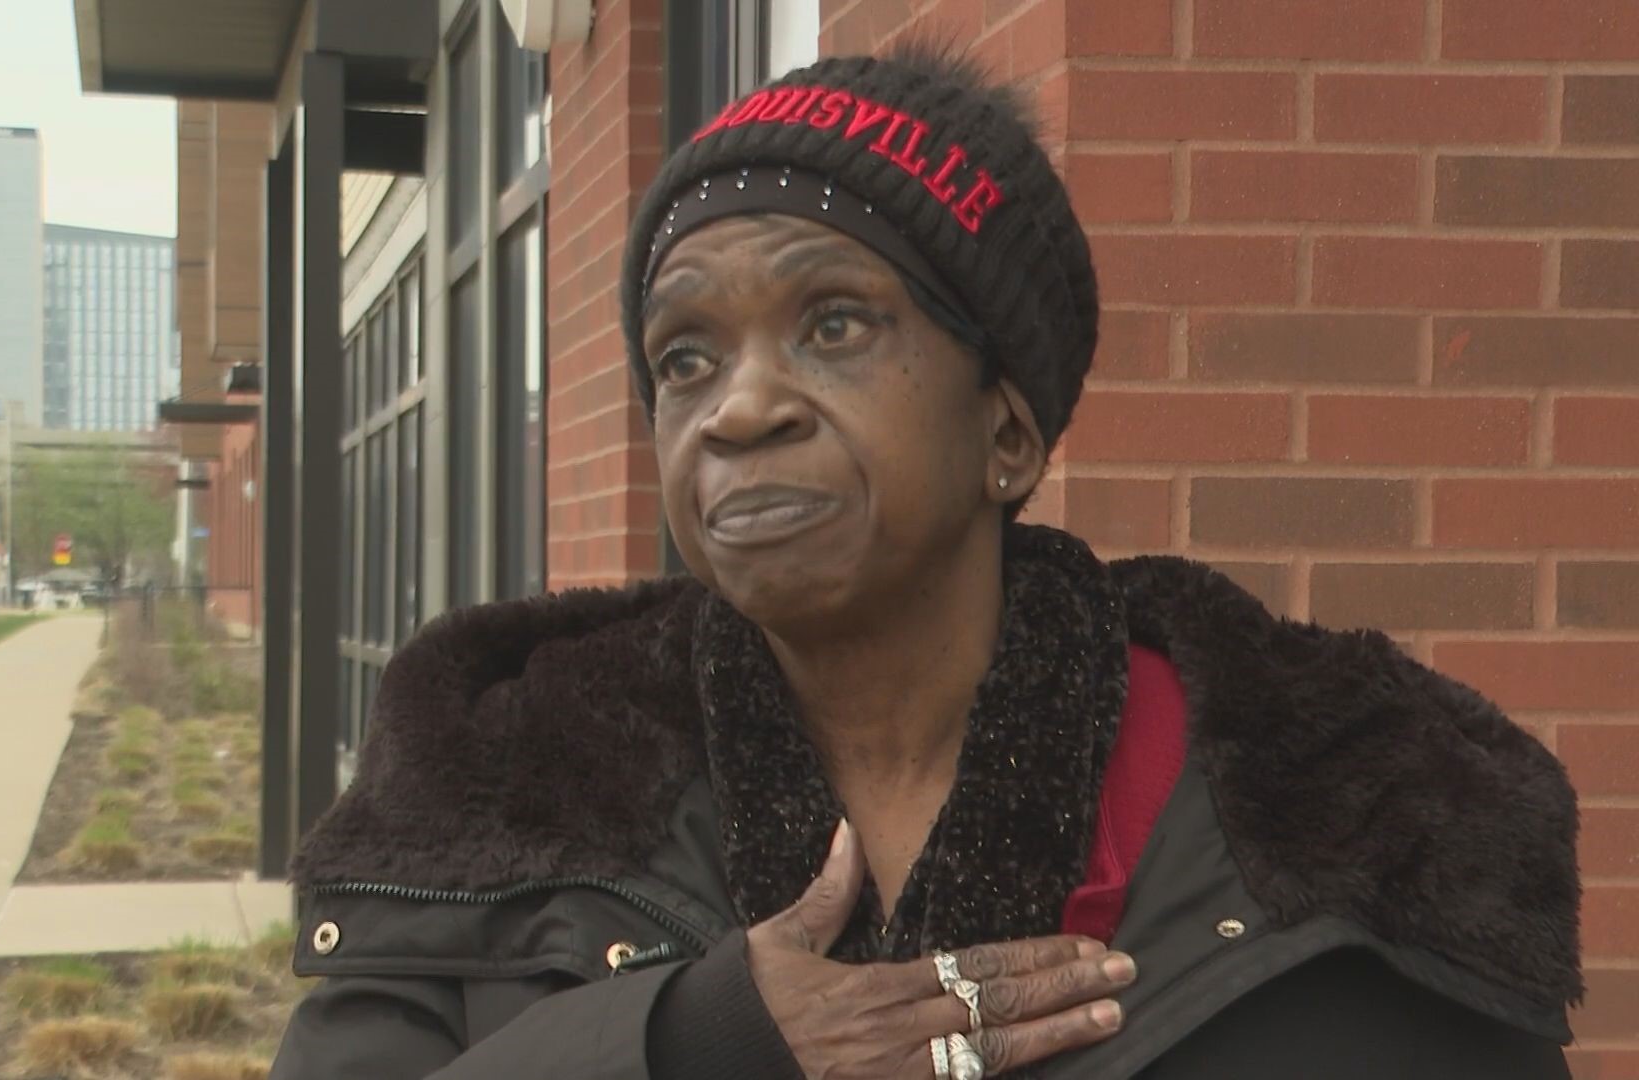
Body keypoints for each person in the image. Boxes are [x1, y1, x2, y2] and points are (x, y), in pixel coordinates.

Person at [271, 44, 1579, 1079]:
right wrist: (686, 1048)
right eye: (687, 359)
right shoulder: (494, 789)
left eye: (832, 324)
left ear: (1005, 429)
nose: (739, 408)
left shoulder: (1352, 821)